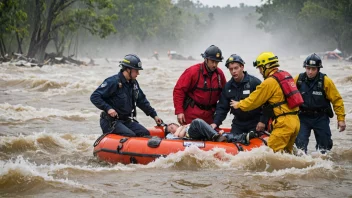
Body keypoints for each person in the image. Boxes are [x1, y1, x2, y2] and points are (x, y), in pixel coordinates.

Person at [230, 52, 302, 153]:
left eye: (260, 68)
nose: (260, 71)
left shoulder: (270, 82)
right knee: (287, 154)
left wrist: (239, 104)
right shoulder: (285, 75)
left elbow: (254, 100)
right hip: (295, 121)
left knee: (270, 155)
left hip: (283, 123)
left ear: (266, 66)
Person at [90, 54, 163, 137]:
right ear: (128, 69)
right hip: (110, 122)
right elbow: (94, 96)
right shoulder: (113, 82)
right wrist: (108, 108)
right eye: (136, 70)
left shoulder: (134, 83)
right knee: (129, 135)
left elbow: (141, 101)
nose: (138, 73)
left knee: (144, 133)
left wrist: (154, 115)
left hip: (125, 120)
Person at [294, 53, 346, 154]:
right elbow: (288, 97)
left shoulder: (326, 81)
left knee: (325, 149)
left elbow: (337, 100)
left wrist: (341, 119)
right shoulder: (298, 80)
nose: (310, 71)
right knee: (299, 148)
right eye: (308, 68)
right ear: (305, 67)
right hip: (303, 117)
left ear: (318, 69)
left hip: (321, 117)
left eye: (313, 69)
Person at [211, 54, 268, 142]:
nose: (233, 71)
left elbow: (266, 103)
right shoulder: (228, 87)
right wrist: (215, 123)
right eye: (231, 69)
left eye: (236, 68)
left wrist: (263, 121)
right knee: (231, 141)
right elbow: (222, 108)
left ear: (242, 67)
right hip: (238, 124)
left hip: (255, 123)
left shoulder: (254, 83)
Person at [173, 45, 226, 125]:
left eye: (217, 62)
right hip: (191, 116)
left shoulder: (219, 74)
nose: (214, 65)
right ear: (206, 59)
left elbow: (225, 95)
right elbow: (179, 91)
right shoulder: (193, 71)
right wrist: (179, 111)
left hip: (210, 117)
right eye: (212, 61)